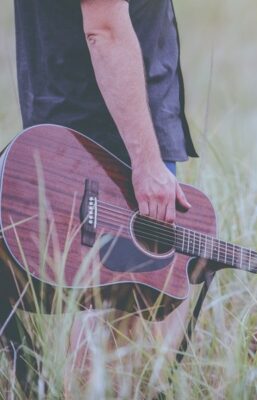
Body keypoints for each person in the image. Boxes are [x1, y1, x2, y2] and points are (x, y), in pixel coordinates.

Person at [3, 0, 205, 395]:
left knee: (123, 314)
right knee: (100, 310)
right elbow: (104, 28)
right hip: (104, 135)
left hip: (86, 124)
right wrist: (147, 161)